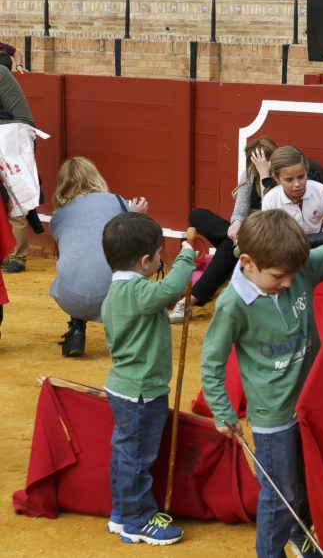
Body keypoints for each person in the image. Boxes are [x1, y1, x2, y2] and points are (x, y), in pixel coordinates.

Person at [200, 209, 323, 557]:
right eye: (280, 276)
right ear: (247, 262)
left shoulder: (296, 268)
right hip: (272, 415)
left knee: (312, 481)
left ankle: (299, 531)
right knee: (279, 496)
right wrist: (222, 411)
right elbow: (212, 363)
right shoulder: (232, 305)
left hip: (311, 403)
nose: (290, 282)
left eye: (293, 273)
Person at [100, 212, 196, 545]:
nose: (160, 260)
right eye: (158, 256)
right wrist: (187, 254)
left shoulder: (118, 291)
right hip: (141, 393)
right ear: (145, 261)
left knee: (125, 453)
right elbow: (171, 288)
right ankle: (137, 520)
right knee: (137, 457)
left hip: (125, 387)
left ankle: (121, 512)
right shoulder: (139, 292)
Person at [177, 137, 323, 323]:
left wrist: (265, 175)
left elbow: (272, 216)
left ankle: (193, 298)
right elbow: (240, 209)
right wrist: (237, 223)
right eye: (254, 161)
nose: (257, 164)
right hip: (250, 228)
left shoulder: (287, 178)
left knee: (230, 246)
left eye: (261, 159)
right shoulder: (249, 174)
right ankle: (238, 242)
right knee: (198, 216)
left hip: (270, 233)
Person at [49, 156, 149, 357]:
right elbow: (135, 242)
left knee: (74, 270)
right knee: (124, 263)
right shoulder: (117, 201)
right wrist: (137, 215)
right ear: (95, 177)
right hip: (113, 297)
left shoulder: (57, 217)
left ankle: (76, 328)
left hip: (72, 299)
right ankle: (125, 331)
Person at [0, 53, 38, 274]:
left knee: (16, 199)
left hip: (12, 142)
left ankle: (17, 256)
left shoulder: (1, 74)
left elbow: (23, 121)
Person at [260, 146, 323, 235]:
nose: (297, 184)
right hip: (285, 247)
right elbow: (269, 237)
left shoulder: (320, 190)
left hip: (318, 244)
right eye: (289, 180)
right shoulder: (270, 200)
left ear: (306, 170)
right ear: (277, 179)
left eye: (301, 177)